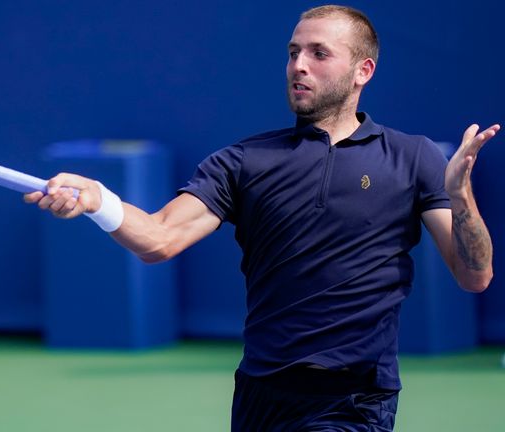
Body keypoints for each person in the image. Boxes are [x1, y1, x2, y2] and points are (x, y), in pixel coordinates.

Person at [25, 5, 498, 431]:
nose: (299, 65)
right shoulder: (242, 161)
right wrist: (99, 199)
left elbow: (474, 275)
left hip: (354, 397)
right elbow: (159, 239)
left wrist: (460, 195)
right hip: (260, 393)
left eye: (318, 53)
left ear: (363, 71)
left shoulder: (412, 157)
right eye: (293, 52)